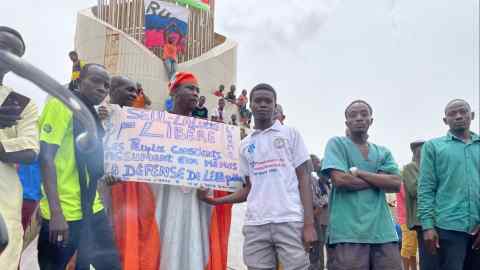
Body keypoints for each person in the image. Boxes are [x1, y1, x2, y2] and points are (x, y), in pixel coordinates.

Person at [198, 83, 317, 270]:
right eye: (258, 101)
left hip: (289, 220)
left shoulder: (290, 134)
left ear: (275, 105)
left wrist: (309, 224)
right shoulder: (245, 144)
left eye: (268, 101)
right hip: (255, 224)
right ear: (250, 106)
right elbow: (247, 189)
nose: (263, 105)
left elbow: (304, 179)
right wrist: (215, 201)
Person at [38, 63, 121, 270]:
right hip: (64, 211)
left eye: (106, 85)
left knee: (110, 265)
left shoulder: (91, 115)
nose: (102, 88)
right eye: (95, 81)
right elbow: (46, 157)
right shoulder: (61, 104)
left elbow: (93, 165)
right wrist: (56, 213)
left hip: (92, 208)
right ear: (78, 81)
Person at [149, 71, 233, 270]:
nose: (195, 93)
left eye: (197, 90)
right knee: (164, 245)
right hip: (164, 196)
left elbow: (217, 167)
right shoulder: (156, 124)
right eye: (190, 88)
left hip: (196, 201)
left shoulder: (206, 132)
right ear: (174, 92)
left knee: (194, 245)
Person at [322, 100, 402, 270]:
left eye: (364, 114)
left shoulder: (382, 152)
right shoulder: (337, 144)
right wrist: (379, 179)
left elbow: (395, 183)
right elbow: (341, 180)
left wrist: (358, 173)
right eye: (353, 115)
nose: (359, 118)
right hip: (348, 233)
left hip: (383, 232)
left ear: (371, 120)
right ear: (347, 122)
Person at [101, 76, 161, 270]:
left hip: (135, 188)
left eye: (136, 91)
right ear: (112, 90)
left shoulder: (139, 117)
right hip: (104, 188)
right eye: (129, 90)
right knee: (107, 234)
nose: (134, 95)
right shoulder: (100, 112)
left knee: (137, 233)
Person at [418, 99, 480, 270]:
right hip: (447, 228)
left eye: (463, 111)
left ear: (472, 115)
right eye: (452, 113)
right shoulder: (433, 147)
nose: (458, 116)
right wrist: (428, 226)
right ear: (445, 120)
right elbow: (426, 188)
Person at [0, 26, 40, 270]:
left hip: (5, 198)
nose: (6, 54)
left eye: (14, 52)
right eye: (2, 46)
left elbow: (29, 151)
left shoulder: (22, 104)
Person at [403, 140, 437, 270]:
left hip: (434, 218)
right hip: (419, 219)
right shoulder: (410, 167)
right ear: (415, 152)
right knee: (427, 254)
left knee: (435, 255)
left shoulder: (432, 166)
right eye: (420, 149)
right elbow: (414, 189)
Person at [309, 154, 330, 270]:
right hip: (320, 221)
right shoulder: (315, 182)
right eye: (317, 163)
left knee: (324, 249)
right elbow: (321, 202)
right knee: (318, 250)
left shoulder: (325, 183)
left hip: (326, 221)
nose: (319, 165)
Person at [396, 180, 417, 270]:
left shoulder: (406, 183)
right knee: (407, 247)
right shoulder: (403, 184)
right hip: (407, 220)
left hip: (412, 219)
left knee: (412, 249)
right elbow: (411, 197)